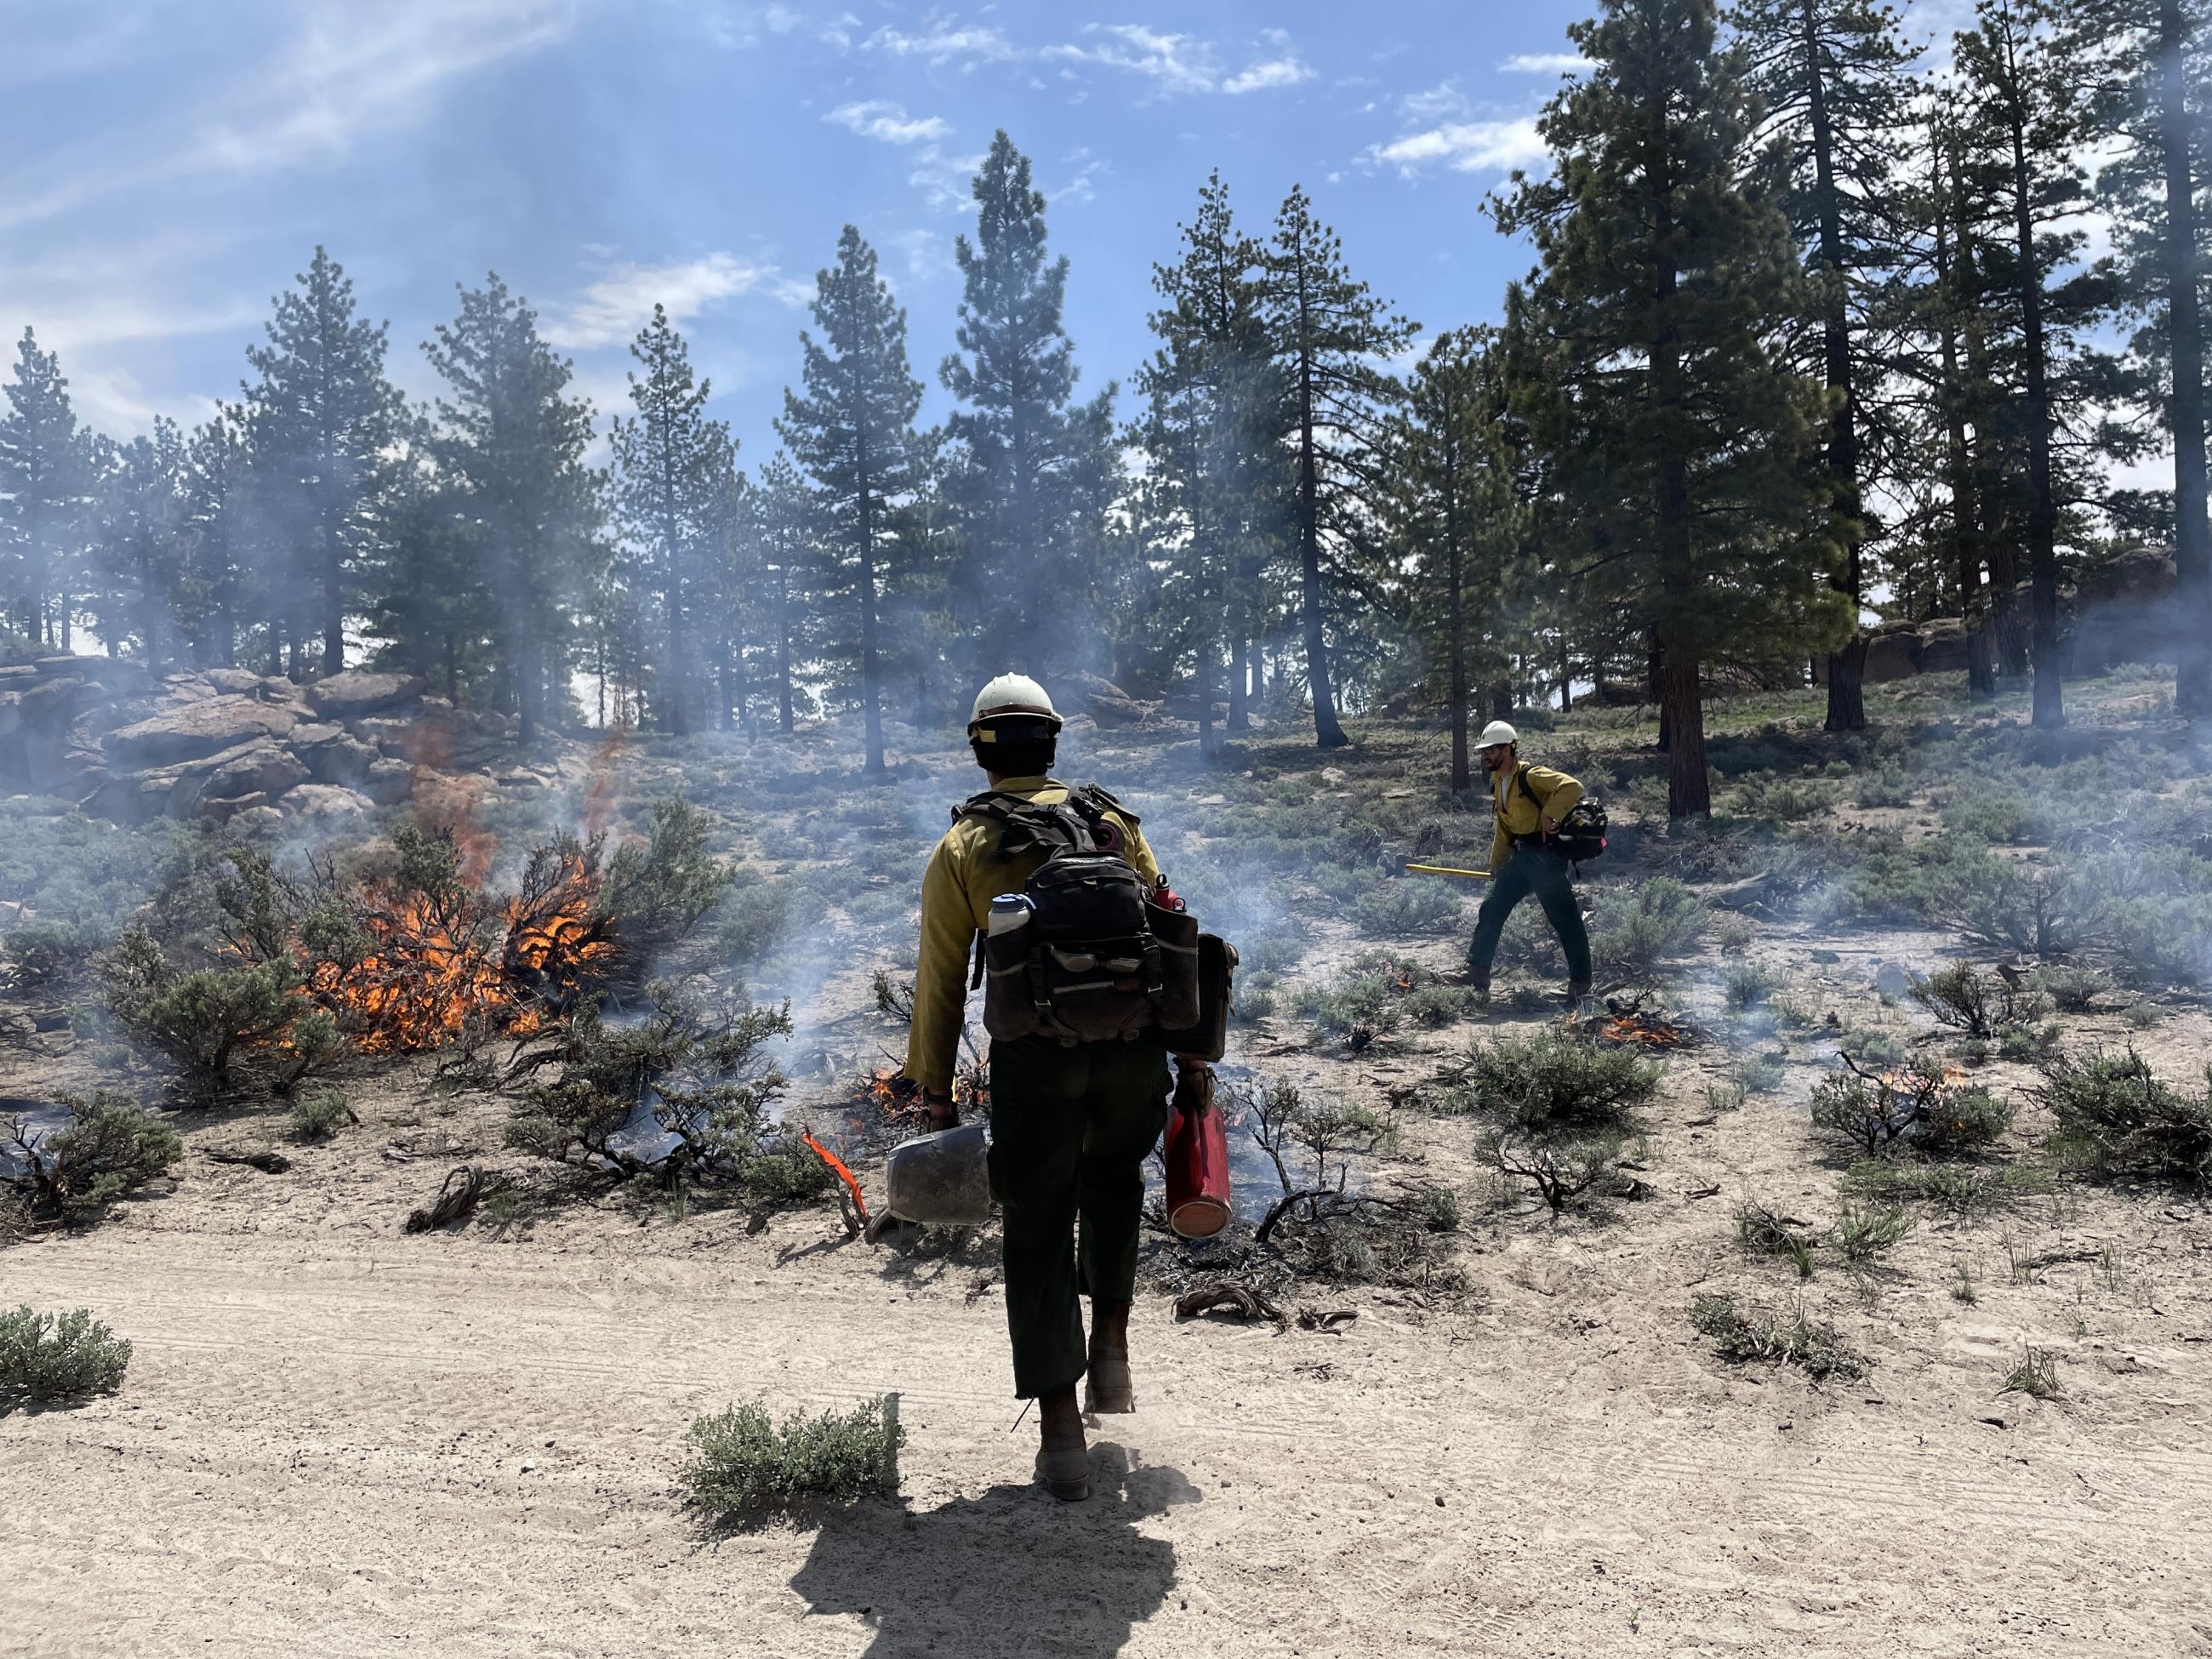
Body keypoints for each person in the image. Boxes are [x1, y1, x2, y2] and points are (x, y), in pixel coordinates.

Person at [901, 673, 1203, 1503]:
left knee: (1036, 1228)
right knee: (1113, 1187)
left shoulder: (963, 846)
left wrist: (934, 1093)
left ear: (978, 750)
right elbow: (1173, 934)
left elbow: (936, 981)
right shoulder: (1112, 823)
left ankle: (1062, 1437)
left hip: (1036, 1065)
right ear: (1053, 743)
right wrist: (1193, 1062)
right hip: (1134, 1056)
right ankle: (1110, 1346)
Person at [1463, 719, 1593, 1005]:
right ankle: (1477, 973)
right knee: (1492, 907)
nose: (1485, 756)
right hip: (1524, 857)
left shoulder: (1531, 775)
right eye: (1484, 751)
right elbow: (1505, 826)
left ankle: (1582, 984)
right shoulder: (1498, 781)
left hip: (1545, 856)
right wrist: (1497, 862)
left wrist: (1550, 813)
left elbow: (1573, 786)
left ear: (1508, 749)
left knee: (1565, 919)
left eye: (1491, 750)